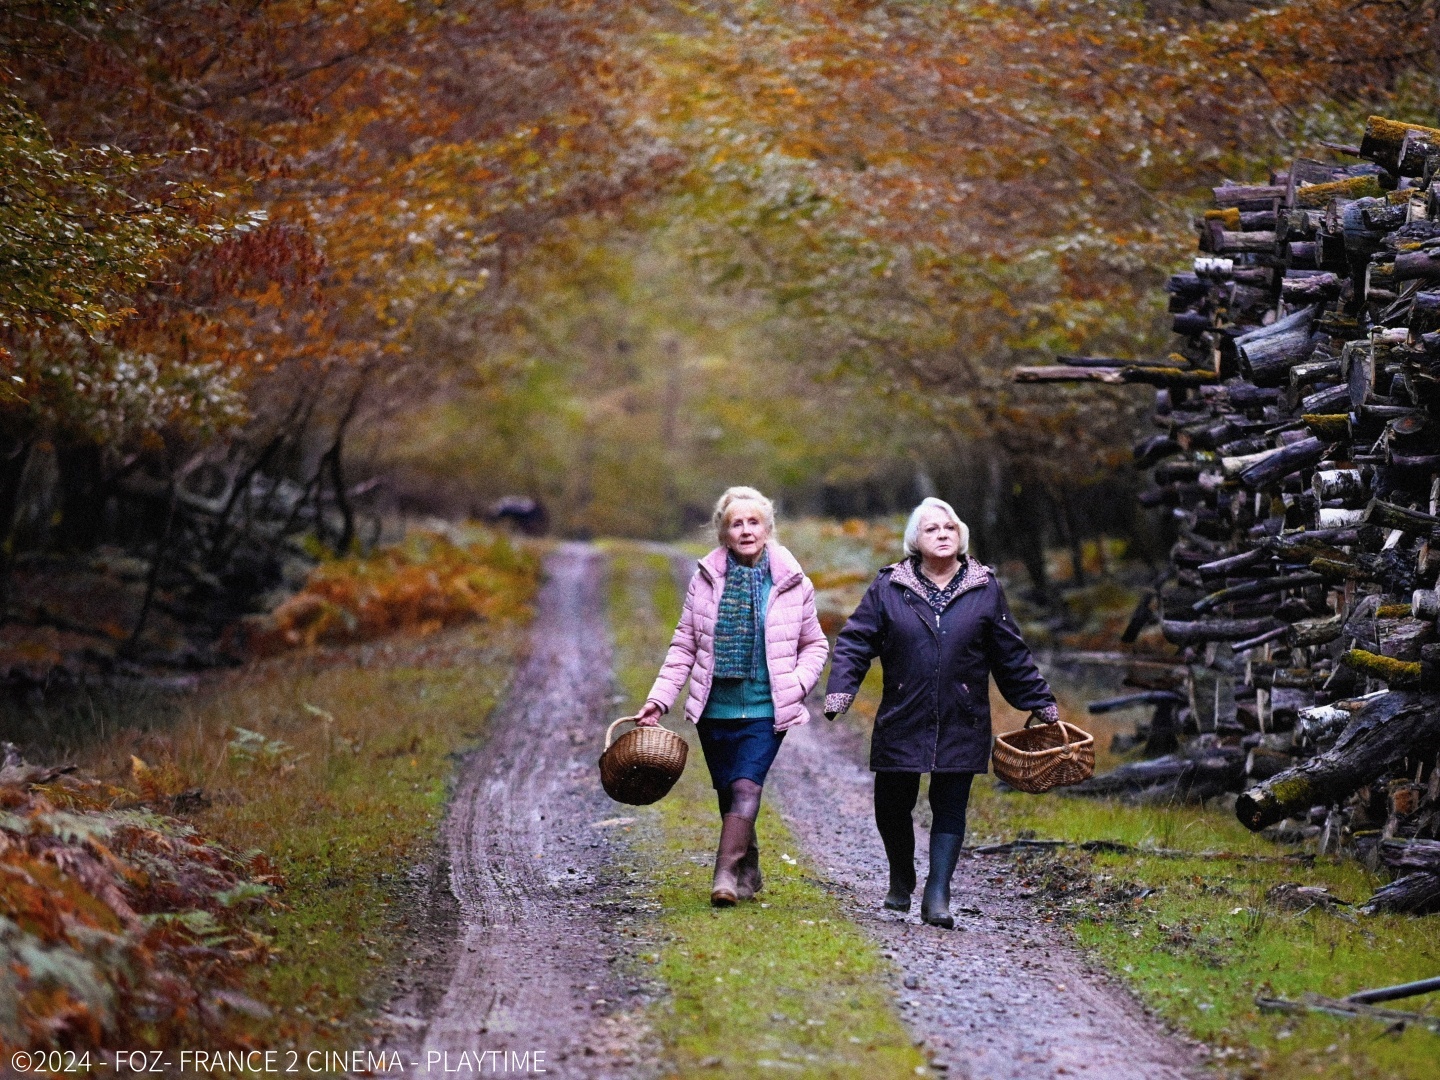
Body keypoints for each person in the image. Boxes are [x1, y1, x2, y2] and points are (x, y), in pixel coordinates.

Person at [823, 497, 1058, 928]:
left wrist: (1040, 701)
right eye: (932, 529)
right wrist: (841, 690)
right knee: (892, 803)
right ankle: (901, 873)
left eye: (950, 527)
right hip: (902, 710)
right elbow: (857, 641)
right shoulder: (889, 586)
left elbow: (1010, 652)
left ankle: (938, 892)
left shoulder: (984, 586)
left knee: (951, 803)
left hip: (962, 713)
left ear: (961, 535)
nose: (943, 534)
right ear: (916, 539)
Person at [636, 487, 829, 906]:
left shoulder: (793, 582)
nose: (746, 530)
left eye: (753, 522)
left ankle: (723, 875)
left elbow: (815, 644)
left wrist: (796, 685)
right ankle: (749, 866)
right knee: (729, 792)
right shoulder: (705, 580)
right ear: (723, 533)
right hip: (715, 708)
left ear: (768, 529)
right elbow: (684, 645)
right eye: (736, 523)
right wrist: (659, 699)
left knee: (747, 787)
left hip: (766, 707)